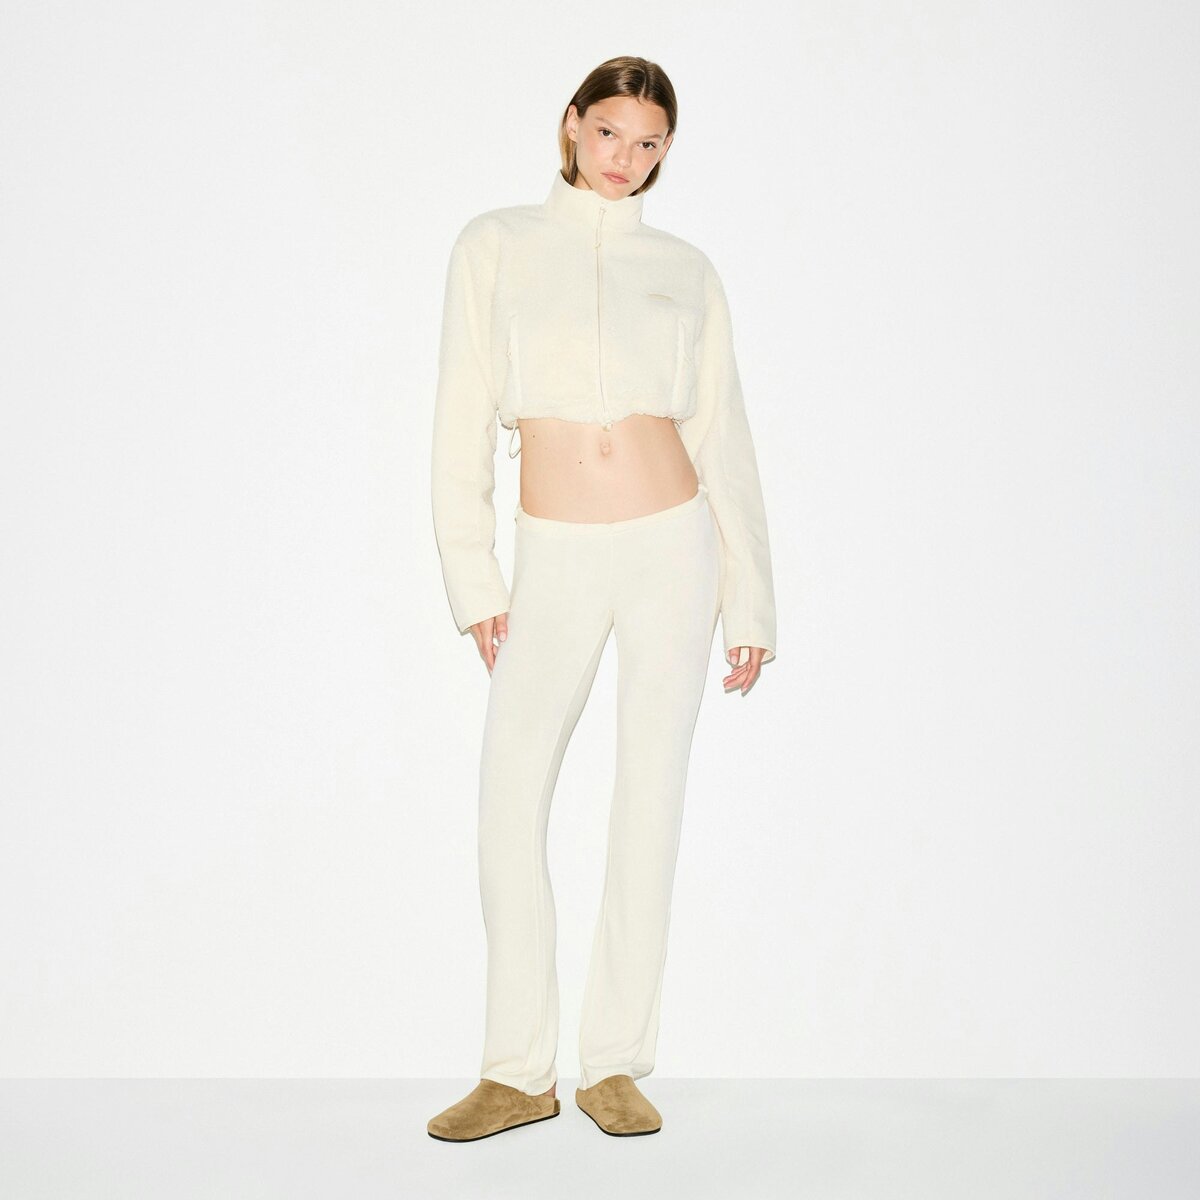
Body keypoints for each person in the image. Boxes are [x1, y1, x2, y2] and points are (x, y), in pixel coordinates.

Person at [426, 56, 777, 1142]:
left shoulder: (684, 269)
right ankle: (516, 1071)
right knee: (509, 793)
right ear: (573, 124)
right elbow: (459, 419)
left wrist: (751, 602)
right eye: (612, 132)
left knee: (648, 796)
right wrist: (474, 577)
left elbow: (723, 436)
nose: (627, 157)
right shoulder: (495, 245)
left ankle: (615, 1063)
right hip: (557, 552)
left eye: (650, 143)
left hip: (676, 546)